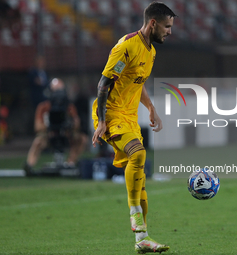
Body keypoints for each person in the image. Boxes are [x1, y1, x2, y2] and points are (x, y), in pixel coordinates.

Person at [91, 2, 176, 253]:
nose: (170, 31)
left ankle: (142, 239)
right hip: (111, 114)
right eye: (167, 26)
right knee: (138, 153)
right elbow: (103, 84)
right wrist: (102, 120)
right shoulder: (126, 47)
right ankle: (134, 216)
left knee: (140, 183)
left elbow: (137, 83)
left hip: (129, 118)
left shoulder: (150, 52)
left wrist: (150, 107)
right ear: (153, 23)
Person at [24, 78, 86, 175]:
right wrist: (50, 126)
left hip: (66, 136)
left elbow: (76, 124)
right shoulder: (43, 107)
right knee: (38, 142)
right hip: (49, 136)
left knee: (82, 139)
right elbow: (37, 127)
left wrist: (70, 124)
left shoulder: (69, 107)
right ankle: (29, 166)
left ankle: (70, 163)